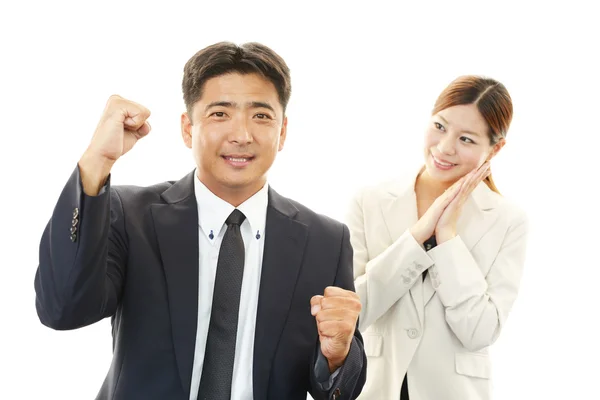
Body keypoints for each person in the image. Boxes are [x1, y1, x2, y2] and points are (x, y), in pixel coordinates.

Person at [34, 41, 366, 400]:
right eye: (220, 114)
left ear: (282, 131)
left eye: (261, 116)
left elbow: (337, 389)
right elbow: (62, 309)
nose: (242, 135)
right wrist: (96, 161)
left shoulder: (325, 241)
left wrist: (337, 355)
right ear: (188, 128)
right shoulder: (130, 215)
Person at [346, 75, 529, 399]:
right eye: (440, 126)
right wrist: (417, 237)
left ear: (495, 148)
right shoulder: (370, 200)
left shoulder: (506, 220)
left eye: (467, 139)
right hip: (376, 387)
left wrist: (448, 239)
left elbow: (479, 331)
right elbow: (353, 313)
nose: (445, 148)